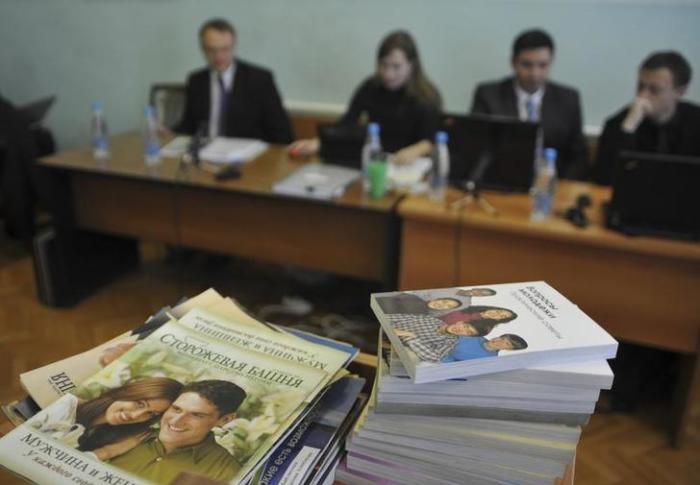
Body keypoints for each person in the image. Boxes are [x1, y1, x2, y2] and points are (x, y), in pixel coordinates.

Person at [289, 30, 442, 164]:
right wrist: (320, 142)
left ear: (412, 65)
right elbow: (347, 123)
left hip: (412, 168)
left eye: (396, 66)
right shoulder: (371, 87)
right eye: (383, 65)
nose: (388, 74)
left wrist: (415, 151)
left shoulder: (427, 97)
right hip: (375, 162)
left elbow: (431, 141)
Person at [470, 29, 589, 179]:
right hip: (502, 181)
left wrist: (560, 185)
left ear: (551, 63)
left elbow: (578, 156)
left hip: (552, 184)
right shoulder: (488, 95)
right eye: (527, 65)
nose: (535, 73)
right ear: (513, 63)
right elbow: (476, 149)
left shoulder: (568, 99)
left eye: (542, 65)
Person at [177, 18, 293, 143]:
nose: (218, 56)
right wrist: (169, 133)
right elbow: (187, 127)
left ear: (234, 46)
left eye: (225, 49)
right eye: (212, 50)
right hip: (206, 154)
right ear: (203, 49)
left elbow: (283, 133)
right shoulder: (196, 81)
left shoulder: (259, 80)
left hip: (247, 157)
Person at [108, 379, 247, 484]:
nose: (176, 421)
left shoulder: (226, 473)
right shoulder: (123, 434)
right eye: (176, 409)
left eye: (196, 415)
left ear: (225, 419)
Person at [593, 51, 700, 185]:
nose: (642, 96)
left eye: (654, 90)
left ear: (680, 91)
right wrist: (628, 129)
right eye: (640, 86)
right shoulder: (618, 124)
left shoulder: (696, 122)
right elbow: (603, 180)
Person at [28, 377, 182, 460]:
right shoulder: (66, 406)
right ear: (130, 391)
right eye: (140, 404)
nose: (135, 416)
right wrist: (107, 452)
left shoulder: (101, 435)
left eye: (151, 414)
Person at [390, 306, 517, 362]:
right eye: (502, 338)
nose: (463, 331)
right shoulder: (432, 320)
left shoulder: (451, 342)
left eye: (505, 344)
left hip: (417, 352)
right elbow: (396, 318)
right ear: (461, 322)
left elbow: (436, 358)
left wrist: (408, 336)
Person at [442, 334, 528, 363]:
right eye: (501, 338)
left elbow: (457, 368)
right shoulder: (475, 335)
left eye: (506, 343)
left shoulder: (489, 360)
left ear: (509, 350)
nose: (499, 341)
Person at [376, 292, 462, 315]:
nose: (442, 305)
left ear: (444, 310)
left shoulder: (423, 316)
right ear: (438, 299)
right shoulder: (414, 297)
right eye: (444, 302)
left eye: (447, 306)